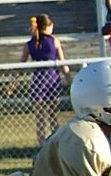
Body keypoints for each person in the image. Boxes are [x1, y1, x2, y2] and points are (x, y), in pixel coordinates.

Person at [7, 14, 69, 145]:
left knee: (40, 118)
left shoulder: (29, 44)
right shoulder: (54, 41)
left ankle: (42, 145)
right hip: (52, 79)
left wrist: (12, 85)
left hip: (38, 80)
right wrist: (69, 79)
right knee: (53, 116)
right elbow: (63, 64)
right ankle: (56, 143)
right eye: (51, 26)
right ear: (46, 27)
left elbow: (20, 67)